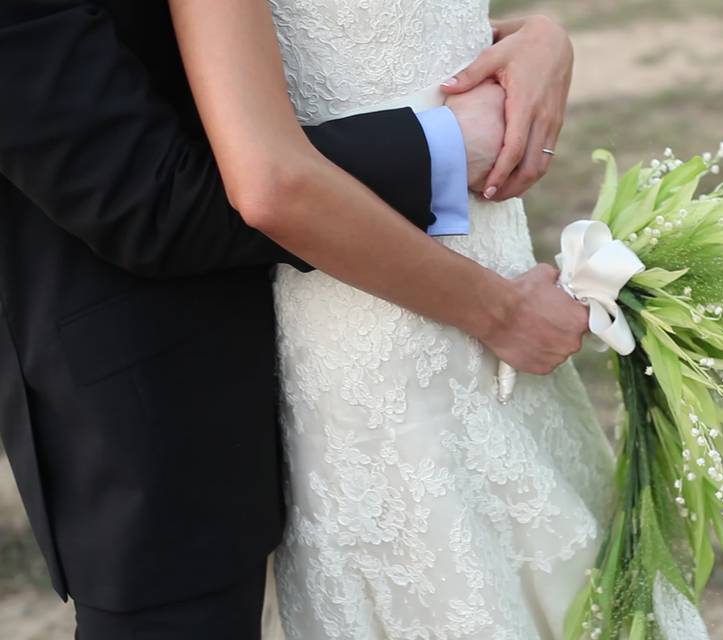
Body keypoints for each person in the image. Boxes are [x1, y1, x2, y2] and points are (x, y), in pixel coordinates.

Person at [0, 1, 587, 638]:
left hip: (402, 326)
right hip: (159, 389)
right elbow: (148, 198)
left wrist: (538, 37)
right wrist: (442, 150)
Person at [170, 1, 616, 638]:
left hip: (500, 265)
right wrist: (501, 313)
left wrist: (542, 36)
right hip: (373, 315)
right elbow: (267, 179)